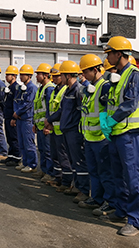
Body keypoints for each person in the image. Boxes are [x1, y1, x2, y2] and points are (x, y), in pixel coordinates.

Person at [101, 36, 139, 237]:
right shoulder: (117, 75)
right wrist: (105, 119)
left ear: (119, 54)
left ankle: (135, 221)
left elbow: (129, 104)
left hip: (129, 134)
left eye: (109, 53)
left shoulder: (134, 74)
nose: (107, 57)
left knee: (133, 178)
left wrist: (111, 121)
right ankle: (121, 211)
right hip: (117, 134)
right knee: (118, 175)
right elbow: (110, 101)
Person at [78, 54, 115, 216]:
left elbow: (108, 111)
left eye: (86, 72)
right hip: (90, 137)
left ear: (95, 70)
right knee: (93, 170)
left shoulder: (104, 87)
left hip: (101, 138)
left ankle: (109, 201)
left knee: (105, 172)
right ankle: (97, 198)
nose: (84, 76)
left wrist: (105, 131)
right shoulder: (91, 87)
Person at [52, 60, 89, 203]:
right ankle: (76, 185)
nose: (60, 77)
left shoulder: (78, 90)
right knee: (73, 160)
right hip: (67, 130)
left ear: (68, 75)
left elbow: (82, 112)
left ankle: (83, 190)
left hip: (75, 131)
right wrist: (50, 119)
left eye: (61, 75)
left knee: (79, 161)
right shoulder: (68, 90)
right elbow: (62, 110)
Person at [45, 64, 74, 190]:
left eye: (58, 76)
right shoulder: (55, 90)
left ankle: (66, 182)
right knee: (55, 155)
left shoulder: (65, 90)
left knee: (64, 157)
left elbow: (62, 111)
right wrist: (48, 122)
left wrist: (50, 120)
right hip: (54, 128)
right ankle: (58, 178)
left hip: (62, 129)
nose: (55, 78)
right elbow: (50, 108)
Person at [12, 64, 40, 174]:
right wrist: (16, 113)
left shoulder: (32, 88)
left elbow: (28, 103)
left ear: (29, 76)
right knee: (22, 142)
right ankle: (25, 162)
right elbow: (17, 100)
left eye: (23, 75)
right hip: (20, 118)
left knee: (29, 143)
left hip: (27, 119)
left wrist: (18, 112)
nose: (21, 77)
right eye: (20, 75)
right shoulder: (21, 88)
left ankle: (32, 164)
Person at [33, 63, 55, 183]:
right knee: (41, 149)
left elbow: (49, 109)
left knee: (48, 150)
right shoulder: (41, 89)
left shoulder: (49, 89)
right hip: (40, 125)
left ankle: (49, 173)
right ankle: (43, 169)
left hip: (46, 126)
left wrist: (48, 125)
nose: (36, 76)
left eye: (38, 74)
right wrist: (35, 123)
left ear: (46, 75)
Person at [3, 65, 21, 166]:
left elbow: (16, 103)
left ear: (14, 76)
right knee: (9, 137)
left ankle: (17, 157)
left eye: (8, 75)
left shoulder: (16, 88)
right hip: (7, 115)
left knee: (14, 138)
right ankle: (11, 156)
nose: (6, 77)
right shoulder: (9, 87)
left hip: (12, 117)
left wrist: (14, 117)